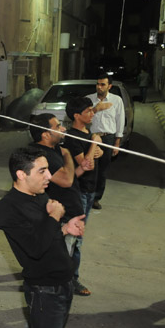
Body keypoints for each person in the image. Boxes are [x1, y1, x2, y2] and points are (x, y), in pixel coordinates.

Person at [0, 146, 85, 328]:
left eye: (48, 170)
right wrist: (54, 217)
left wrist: (64, 228)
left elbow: (46, 236)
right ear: (21, 174)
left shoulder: (40, 195)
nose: (49, 176)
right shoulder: (8, 207)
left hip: (64, 281)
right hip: (44, 289)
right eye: (42, 171)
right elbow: (34, 248)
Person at [28, 113, 89, 258]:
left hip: (69, 215)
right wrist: (67, 155)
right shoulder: (41, 155)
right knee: (58, 259)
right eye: (57, 126)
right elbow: (66, 181)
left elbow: (69, 177)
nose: (63, 129)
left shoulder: (54, 148)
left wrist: (81, 169)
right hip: (61, 219)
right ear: (45, 135)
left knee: (69, 257)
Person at [63, 97, 103, 296]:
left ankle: (68, 277)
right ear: (77, 115)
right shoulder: (72, 137)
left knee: (78, 238)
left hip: (90, 189)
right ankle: (70, 279)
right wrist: (94, 144)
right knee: (74, 238)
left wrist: (94, 146)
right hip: (79, 191)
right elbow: (86, 163)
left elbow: (98, 154)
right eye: (88, 111)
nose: (92, 113)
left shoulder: (88, 134)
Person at [85, 74, 124, 210]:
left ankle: (96, 198)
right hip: (91, 137)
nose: (99, 87)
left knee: (102, 170)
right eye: (98, 84)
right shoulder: (89, 99)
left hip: (107, 138)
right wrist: (96, 109)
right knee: (89, 168)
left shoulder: (117, 100)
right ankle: (87, 195)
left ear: (109, 86)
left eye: (103, 84)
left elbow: (120, 121)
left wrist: (117, 143)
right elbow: (82, 117)